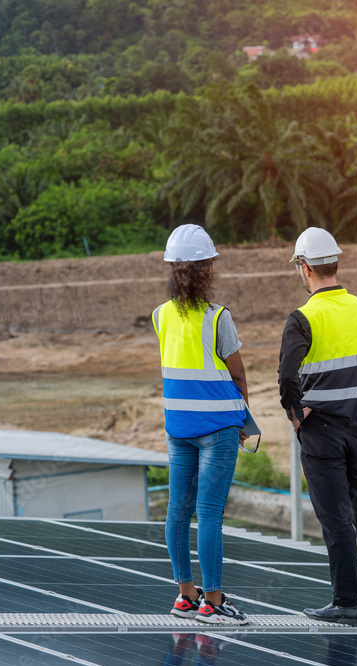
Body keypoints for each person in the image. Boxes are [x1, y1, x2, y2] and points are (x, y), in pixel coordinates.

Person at [278, 227, 357, 626]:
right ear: (335, 263)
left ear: (305, 268)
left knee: (336, 518)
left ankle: (347, 603)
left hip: (321, 433)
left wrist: (297, 417)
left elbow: (286, 377)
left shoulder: (303, 318)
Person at [153, 224, 250, 626]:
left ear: (173, 271)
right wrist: (244, 420)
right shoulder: (218, 318)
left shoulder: (160, 316)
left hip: (179, 429)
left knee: (178, 512)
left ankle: (185, 596)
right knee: (209, 514)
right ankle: (213, 601)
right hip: (218, 430)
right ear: (207, 270)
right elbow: (239, 375)